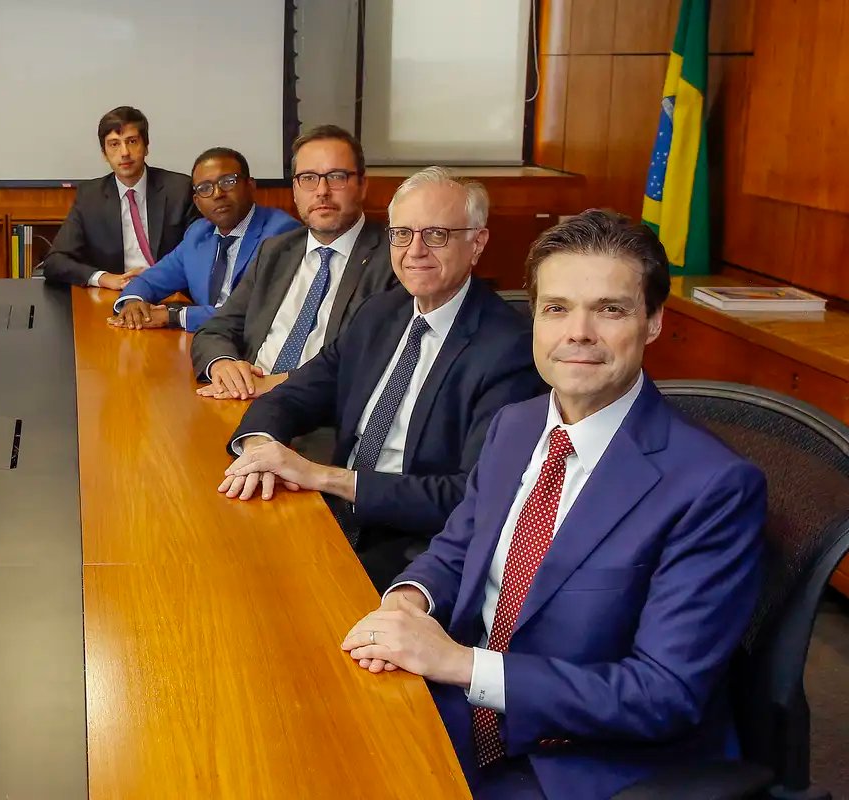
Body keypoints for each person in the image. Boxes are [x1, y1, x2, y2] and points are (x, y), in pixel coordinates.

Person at [340, 210, 765, 799]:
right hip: (460, 711)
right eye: (557, 308)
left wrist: (462, 665)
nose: (579, 332)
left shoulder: (713, 488)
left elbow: (663, 693)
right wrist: (410, 602)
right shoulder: (515, 426)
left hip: (581, 762)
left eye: (610, 309)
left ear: (653, 323)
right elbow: (459, 545)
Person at [219, 168, 547, 588]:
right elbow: (295, 394)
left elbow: (469, 495)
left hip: (417, 550)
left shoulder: (510, 349)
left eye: (437, 235)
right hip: (331, 516)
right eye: (401, 234)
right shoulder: (382, 312)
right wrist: (261, 450)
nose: (415, 251)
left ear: (477, 243)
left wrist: (323, 477)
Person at [191, 125, 394, 401]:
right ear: (295, 190)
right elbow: (216, 328)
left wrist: (278, 385)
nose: (322, 191)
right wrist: (224, 364)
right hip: (242, 401)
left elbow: (370, 365)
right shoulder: (276, 251)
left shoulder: (394, 259)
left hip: (317, 419)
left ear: (362, 185)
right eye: (308, 178)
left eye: (336, 177)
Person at [107, 147, 300, 331]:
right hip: (208, 341)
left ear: (250, 186)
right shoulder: (198, 234)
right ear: (197, 202)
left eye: (228, 182)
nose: (217, 194)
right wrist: (133, 302)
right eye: (205, 188)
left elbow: (254, 313)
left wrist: (175, 316)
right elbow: (150, 280)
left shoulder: (282, 233)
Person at [42, 106, 199, 289]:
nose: (124, 153)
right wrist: (104, 278)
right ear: (104, 154)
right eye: (114, 144)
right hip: (114, 294)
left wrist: (158, 277)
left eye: (132, 141)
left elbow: (199, 254)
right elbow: (55, 261)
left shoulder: (179, 190)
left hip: (169, 291)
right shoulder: (90, 197)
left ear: (146, 146)